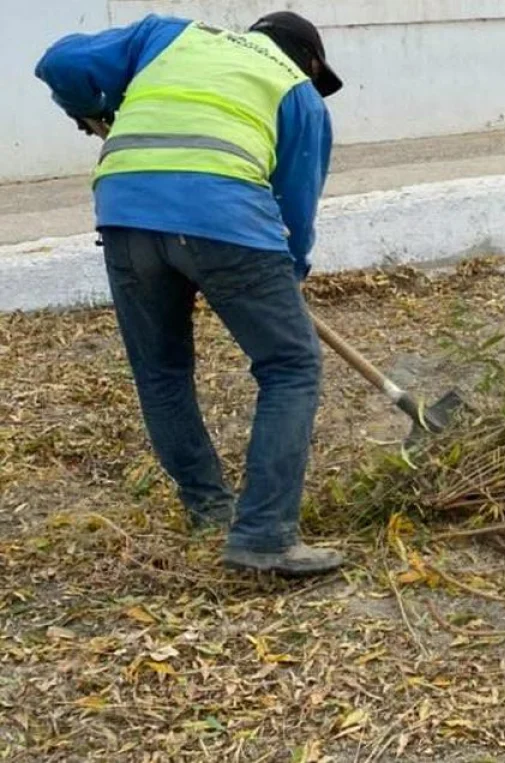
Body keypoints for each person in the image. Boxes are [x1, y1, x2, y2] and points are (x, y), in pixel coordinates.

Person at [35, 12, 345, 576]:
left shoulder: (168, 36)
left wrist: (92, 107)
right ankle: (264, 535)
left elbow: (58, 63)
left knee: (161, 372)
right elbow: (295, 209)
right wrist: (287, 276)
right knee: (290, 364)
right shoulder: (300, 94)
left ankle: (210, 509)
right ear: (310, 60)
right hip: (226, 218)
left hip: (126, 212)